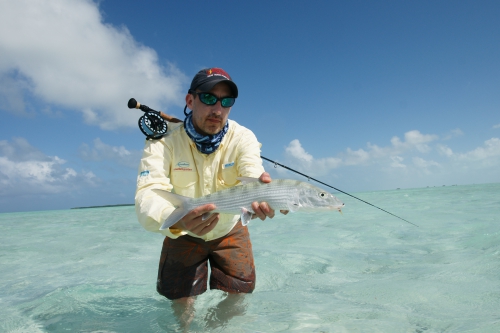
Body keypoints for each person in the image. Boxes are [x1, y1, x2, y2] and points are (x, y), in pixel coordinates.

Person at [134, 67, 287, 328]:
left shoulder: (243, 137)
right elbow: (148, 193)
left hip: (229, 229)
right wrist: (177, 222)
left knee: (239, 294)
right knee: (180, 298)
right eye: (208, 98)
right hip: (181, 229)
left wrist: (268, 195)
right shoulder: (163, 141)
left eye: (226, 101)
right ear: (190, 100)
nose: (217, 109)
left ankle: (215, 327)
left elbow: (252, 172)